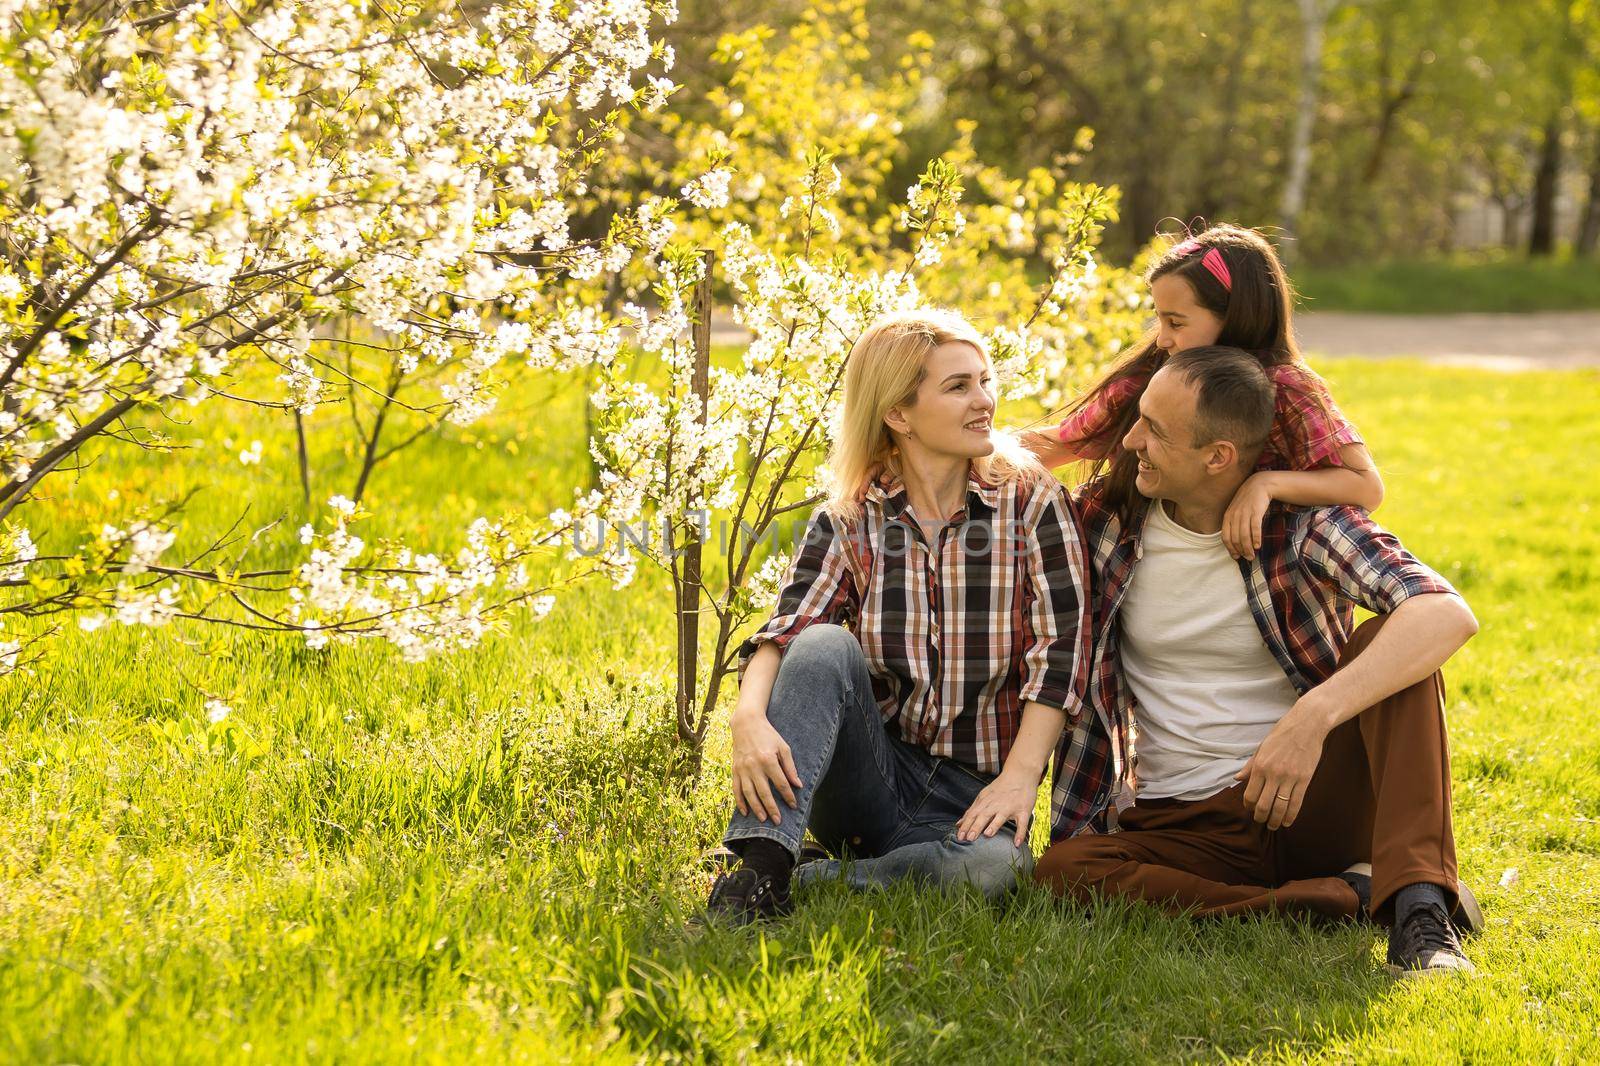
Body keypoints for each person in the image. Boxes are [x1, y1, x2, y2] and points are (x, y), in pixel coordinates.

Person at [1034, 346, 1484, 978]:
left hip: (1310, 797)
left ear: (1218, 456)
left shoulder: (1300, 525)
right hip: (1186, 822)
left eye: (1155, 431)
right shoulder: (1107, 523)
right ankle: (1344, 896)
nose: (1131, 439)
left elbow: (1445, 612)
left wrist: (1312, 718)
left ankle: (1419, 914)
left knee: (1394, 642)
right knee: (1065, 871)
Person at [705, 308, 1091, 926]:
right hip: (871, 777)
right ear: (899, 414)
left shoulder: (1032, 501)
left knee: (994, 870)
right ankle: (758, 872)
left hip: (972, 799)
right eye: (959, 386)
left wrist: (1020, 779)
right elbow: (787, 632)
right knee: (825, 646)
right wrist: (747, 717)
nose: (984, 401)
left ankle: (814, 876)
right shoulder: (853, 517)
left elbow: (1062, 655)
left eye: (985, 381)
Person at [1024, 223, 1382, 560]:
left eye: (1176, 322)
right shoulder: (1152, 380)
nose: (1162, 338)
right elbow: (1060, 444)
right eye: (1160, 319)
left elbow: (1365, 485)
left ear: (1235, 316)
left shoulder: (1287, 389)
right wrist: (975, 449)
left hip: (1262, 583)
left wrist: (1265, 484)